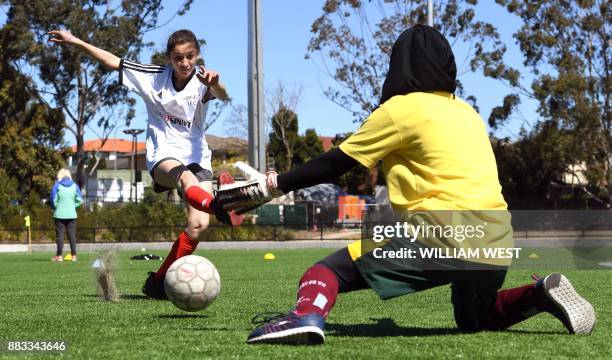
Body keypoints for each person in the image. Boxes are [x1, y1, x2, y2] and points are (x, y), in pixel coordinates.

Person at [219, 25, 596, 344]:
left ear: (398, 66)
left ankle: (305, 316)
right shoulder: (468, 113)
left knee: (325, 272)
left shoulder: (401, 110)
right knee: (476, 321)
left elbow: (337, 162)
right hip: (497, 242)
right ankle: (540, 293)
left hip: (440, 235)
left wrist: (272, 185)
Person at [48, 29, 229, 297]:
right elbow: (113, 61)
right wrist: (76, 42)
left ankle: (157, 282)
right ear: (169, 58)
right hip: (163, 157)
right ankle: (220, 205)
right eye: (178, 57)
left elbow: (224, 95)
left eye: (190, 56)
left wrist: (216, 83)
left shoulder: (204, 80)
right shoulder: (153, 76)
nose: (185, 63)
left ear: (197, 55)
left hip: (198, 158)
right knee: (186, 179)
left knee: (199, 225)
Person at [50, 169, 83, 262]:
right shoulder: (75, 186)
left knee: (60, 235)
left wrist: (56, 207)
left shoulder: (57, 185)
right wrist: (73, 206)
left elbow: (53, 199)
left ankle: (59, 256)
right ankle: (74, 256)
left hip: (59, 214)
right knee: (72, 235)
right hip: (72, 214)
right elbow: (80, 199)